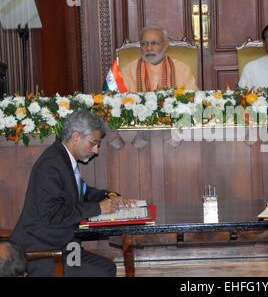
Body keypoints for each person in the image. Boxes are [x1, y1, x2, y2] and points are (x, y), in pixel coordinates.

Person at [11, 110, 135, 277]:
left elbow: (82, 191)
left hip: (66, 248)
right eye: (93, 143)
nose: (96, 150)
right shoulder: (51, 165)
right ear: (76, 137)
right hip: (44, 252)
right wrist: (98, 208)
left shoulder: (63, 159)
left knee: (108, 268)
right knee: (101, 273)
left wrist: (110, 196)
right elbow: (53, 215)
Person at [122, 24, 198, 91]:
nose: (148, 48)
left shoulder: (182, 69)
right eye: (144, 44)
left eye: (154, 43)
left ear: (165, 45)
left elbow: (191, 99)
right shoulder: (128, 71)